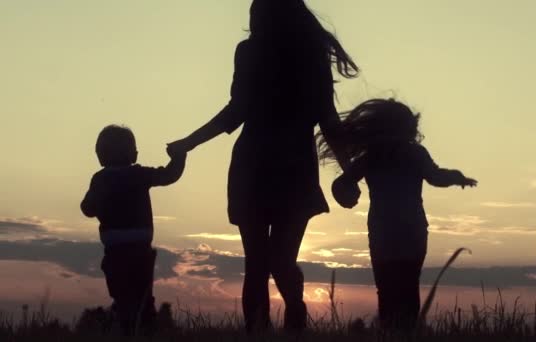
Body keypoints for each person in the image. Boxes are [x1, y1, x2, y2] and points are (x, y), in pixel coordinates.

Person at [167, 0, 358, 333]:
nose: (251, 20)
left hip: (256, 165)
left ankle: (283, 319)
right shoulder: (308, 54)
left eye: (255, 13)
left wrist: (190, 142)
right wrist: (348, 172)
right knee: (277, 260)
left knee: (259, 262)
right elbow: (327, 119)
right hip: (289, 168)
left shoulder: (253, 52)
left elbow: (236, 110)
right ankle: (292, 318)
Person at [317, 99, 477, 332]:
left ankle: (391, 331)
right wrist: (457, 177)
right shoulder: (414, 153)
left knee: (387, 288)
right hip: (412, 229)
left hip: (383, 230)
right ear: (408, 127)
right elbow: (436, 177)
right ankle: (407, 332)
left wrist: (347, 197)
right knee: (408, 285)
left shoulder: (372, 156)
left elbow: (341, 183)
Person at [81, 125, 186, 336]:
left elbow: (87, 209)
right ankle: (142, 327)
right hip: (140, 251)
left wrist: (99, 201)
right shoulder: (138, 174)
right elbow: (169, 175)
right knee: (143, 296)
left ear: (100, 156)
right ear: (131, 154)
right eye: (134, 148)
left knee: (121, 296)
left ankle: (125, 326)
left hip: (115, 252)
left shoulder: (100, 179)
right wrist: (180, 155)